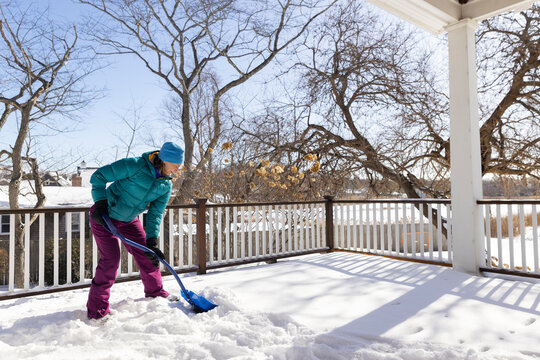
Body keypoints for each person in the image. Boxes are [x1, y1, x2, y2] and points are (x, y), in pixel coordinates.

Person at [86, 142, 184, 320]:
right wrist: (100, 203)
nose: (177, 170)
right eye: (176, 166)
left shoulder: (165, 186)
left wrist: (152, 241)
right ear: (165, 159)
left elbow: (155, 214)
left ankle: (155, 292)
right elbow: (99, 176)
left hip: (129, 220)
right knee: (110, 261)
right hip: (104, 216)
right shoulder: (135, 165)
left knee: (148, 255)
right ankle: (97, 311)